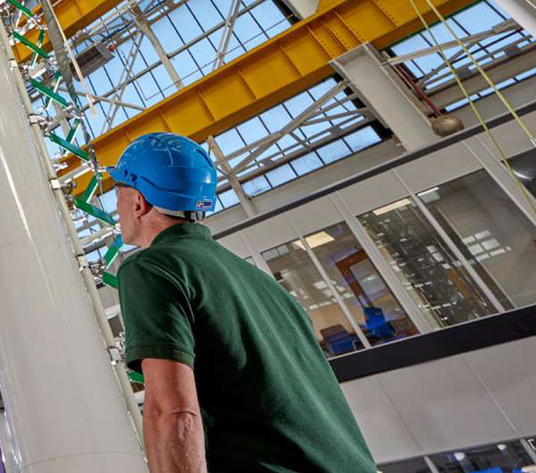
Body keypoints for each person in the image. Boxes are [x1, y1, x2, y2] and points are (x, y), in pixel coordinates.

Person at [110, 132, 376, 473]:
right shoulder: (264, 284)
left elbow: (172, 411)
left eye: (118, 197)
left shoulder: (153, 267)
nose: (117, 210)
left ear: (138, 203)